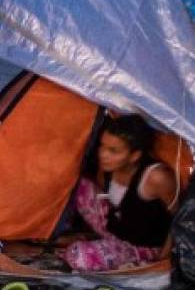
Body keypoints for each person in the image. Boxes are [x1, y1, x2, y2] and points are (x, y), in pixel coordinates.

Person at [64, 115, 178, 272]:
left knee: (79, 257)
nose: (103, 154)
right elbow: (103, 190)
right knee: (74, 183)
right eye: (102, 146)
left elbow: (180, 220)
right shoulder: (108, 167)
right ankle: (99, 240)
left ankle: (117, 252)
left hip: (143, 245)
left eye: (113, 151)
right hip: (117, 228)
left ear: (134, 155)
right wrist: (106, 209)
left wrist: (163, 261)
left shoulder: (157, 177)